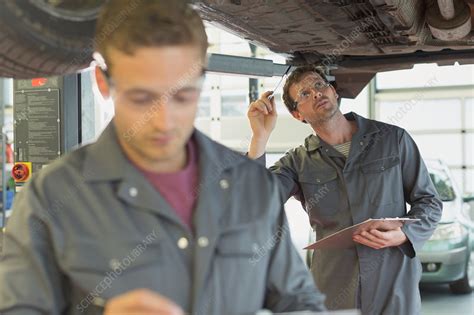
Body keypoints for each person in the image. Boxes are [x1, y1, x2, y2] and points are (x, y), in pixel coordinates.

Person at [0, 2, 326, 315]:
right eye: (142, 98)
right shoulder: (55, 195)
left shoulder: (251, 185)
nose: (164, 121)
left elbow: (299, 302)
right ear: (103, 83)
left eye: (182, 96)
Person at [247, 65, 443, 314]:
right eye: (305, 94)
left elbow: (429, 201)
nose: (316, 93)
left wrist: (405, 234)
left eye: (320, 85)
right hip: (336, 291)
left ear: (334, 92)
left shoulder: (392, 139)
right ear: (297, 115)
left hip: (393, 283)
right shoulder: (297, 162)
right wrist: (259, 138)